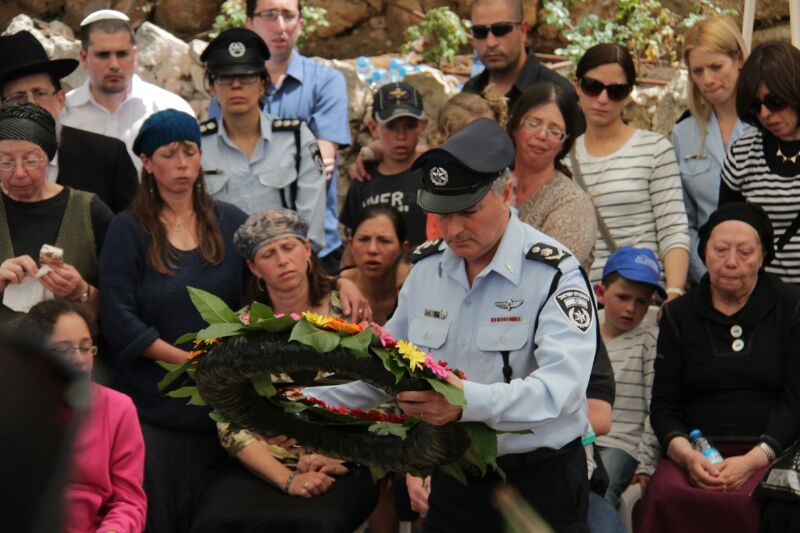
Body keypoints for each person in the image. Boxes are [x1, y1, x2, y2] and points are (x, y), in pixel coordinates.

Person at [309, 118, 598, 532]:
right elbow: (385, 371)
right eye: (442, 214)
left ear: (507, 192)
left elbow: (562, 390)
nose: (454, 230)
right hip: (454, 477)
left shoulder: (554, 273)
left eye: (468, 211)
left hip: (538, 479)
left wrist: (467, 402)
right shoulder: (428, 270)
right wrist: (297, 403)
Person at [99, 109, 248, 533]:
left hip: (225, 406)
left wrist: (343, 283)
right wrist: (186, 361)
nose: (183, 164)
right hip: (154, 409)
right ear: (147, 162)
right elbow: (118, 317)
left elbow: (266, 288)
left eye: (190, 152)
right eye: (169, 154)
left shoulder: (231, 221)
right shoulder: (129, 230)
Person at [190, 207, 378, 532]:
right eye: (268, 254)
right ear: (254, 268)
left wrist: (343, 458)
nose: (282, 260)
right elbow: (230, 425)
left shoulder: (348, 312)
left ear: (306, 250)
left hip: (344, 459)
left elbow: (382, 396)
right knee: (213, 522)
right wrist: (287, 479)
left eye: (288, 247)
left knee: (317, 524)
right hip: (266, 464)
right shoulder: (240, 330)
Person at [638, 202, 800, 532]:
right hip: (697, 452)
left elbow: (795, 401)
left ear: (763, 256)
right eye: (721, 250)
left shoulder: (791, 305)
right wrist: (688, 457)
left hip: (769, 452)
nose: (731, 262)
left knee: (768, 504)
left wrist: (752, 460)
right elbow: (664, 407)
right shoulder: (678, 314)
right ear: (704, 252)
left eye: (745, 252)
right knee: (663, 496)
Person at [208, 0, 351, 274]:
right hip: (232, 263)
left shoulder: (325, 81)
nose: (280, 25)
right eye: (270, 14)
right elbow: (221, 147)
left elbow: (323, 161)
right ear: (250, 22)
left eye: (288, 15)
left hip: (307, 254)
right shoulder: (228, 90)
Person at [15, 300, 147, 533]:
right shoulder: (14, 403)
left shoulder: (118, 408)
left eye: (85, 348)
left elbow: (129, 502)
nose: (78, 359)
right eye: (63, 349)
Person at [573, 43, 690, 294]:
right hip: (580, 300)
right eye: (592, 86)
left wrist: (674, 293)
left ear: (628, 93)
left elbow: (673, 229)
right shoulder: (562, 158)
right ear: (577, 85)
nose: (602, 99)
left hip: (640, 297)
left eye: (615, 91)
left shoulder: (655, 149)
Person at [200, 27, 327, 251]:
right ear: (211, 87)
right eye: (226, 77)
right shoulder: (197, 145)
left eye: (247, 76)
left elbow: (311, 228)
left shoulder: (296, 138)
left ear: (263, 84)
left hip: (286, 263)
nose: (236, 85)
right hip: (219, 264)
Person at [0, 30, 138, 213]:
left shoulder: (109, 158)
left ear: (60, 100)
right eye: (19, 97)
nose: (32, 104)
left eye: (40, 93)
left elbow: (136, 227)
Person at [0, 102, 113, 321]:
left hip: (72, 342)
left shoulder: (88, 210)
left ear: (48, 158)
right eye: (5, 162)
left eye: (31, 161)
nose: (19, 172)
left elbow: (125, 303)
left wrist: (81, 291)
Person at [61, 9, 196, 174]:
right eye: (103, 55)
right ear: (83, 57)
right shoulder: (63, 113)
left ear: (134, 54)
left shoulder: (170, 108)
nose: (114, 65)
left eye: (122, 54)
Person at [672, 16, 754, 284]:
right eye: (697, 71)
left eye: (716, 67)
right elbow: (683, 219)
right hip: (708, 277)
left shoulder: (770, 122)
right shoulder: (684, 133)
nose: (707, 79)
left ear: (739, 59)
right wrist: (708, 272)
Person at [719, 41, 800, 284]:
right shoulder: (743, 153)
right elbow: (724, 230)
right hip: (764, 296)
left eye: (775, 102)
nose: (765, 114)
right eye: (756, 105)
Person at [592, 246, 661, 509]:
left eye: (642, 302)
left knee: (600, 492)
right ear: (601, 292)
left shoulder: (649, 340)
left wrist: (646, 462)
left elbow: (656, 405)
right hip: (581, 439)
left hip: (622, 446)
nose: (631, 308)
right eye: (623, 297)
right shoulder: (584, 333)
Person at [507, 82, 597, 272]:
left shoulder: (572, 203)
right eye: (534, 124)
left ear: (564, 143)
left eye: (555, 131)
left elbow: (547, 274)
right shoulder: (493, 182)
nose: (542, 135)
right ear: (514, 126)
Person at [339, 82, 428, 247]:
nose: (401, 136)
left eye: (410, 126)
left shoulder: (431, 175)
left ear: (423, 126)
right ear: (373, 128)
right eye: (391, 126)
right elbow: (352, 244)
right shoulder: (363, 179)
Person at [463, 0, 578, 113]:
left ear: (522, 31)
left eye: (501, 30)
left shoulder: (560, 94)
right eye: (480, 32)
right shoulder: (469, 92)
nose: (490, 43)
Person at [340, 205, 410, 325]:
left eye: (384, 241)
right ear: (350, 244)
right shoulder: (331, 288)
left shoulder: (411, 290)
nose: (372, 249)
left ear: (403, 248)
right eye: (363, 239)